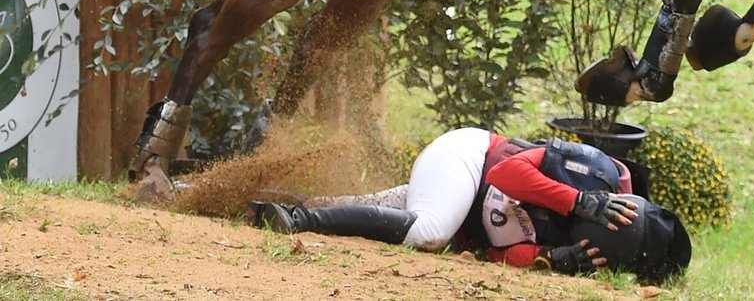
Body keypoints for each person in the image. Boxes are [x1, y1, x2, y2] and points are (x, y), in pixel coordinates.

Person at [246, 127, 691, 282]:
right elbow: (505, 174)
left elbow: (497, 254)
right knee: (428, 233)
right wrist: (577, 201)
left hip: (459, 204)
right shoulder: (594, 174)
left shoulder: (579, 248)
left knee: (373, 212)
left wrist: (552, 261)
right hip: (469, 160)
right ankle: (299, 221)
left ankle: (260, 204)